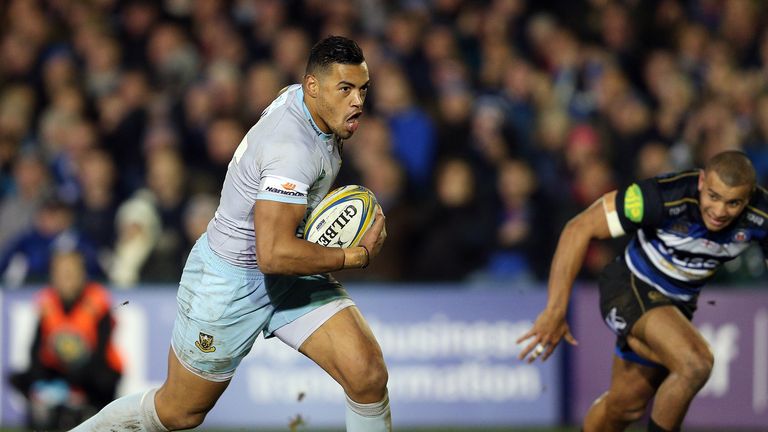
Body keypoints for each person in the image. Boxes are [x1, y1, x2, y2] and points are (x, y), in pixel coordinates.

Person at [71, 35, 390, 431]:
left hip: (288, 270)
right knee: (178, 412)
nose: (358, 100)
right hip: (232, 282)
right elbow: (272, 255)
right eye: (345, 89)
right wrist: (352, 256)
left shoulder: (302, 102)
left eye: (362, 88)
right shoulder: (292, 152)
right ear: (313, 87)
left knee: (367, 374)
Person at [516, 150, 768, 432]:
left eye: (733, 203)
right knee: (695, 364)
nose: (720, 211)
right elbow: (578, 228)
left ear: (749, 198)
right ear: (700, 182)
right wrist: (555, 310)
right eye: (713, 196)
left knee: (626, 407)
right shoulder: (661, 196)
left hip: (676, 307)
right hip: (630, 285)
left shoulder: (763, 215)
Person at [9, 250, 123, 430]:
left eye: (71, 273)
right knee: (18, 377)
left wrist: (74, 382)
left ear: (82, 275)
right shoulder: (47, 303)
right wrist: (40, 383)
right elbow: (36, 348)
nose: (65, 279)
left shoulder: (98, 300)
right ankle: (47, 409)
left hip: (93, 371)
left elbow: (101, 351)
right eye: (60, 274)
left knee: (102, 378)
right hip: (59, 370)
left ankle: (85, 408)